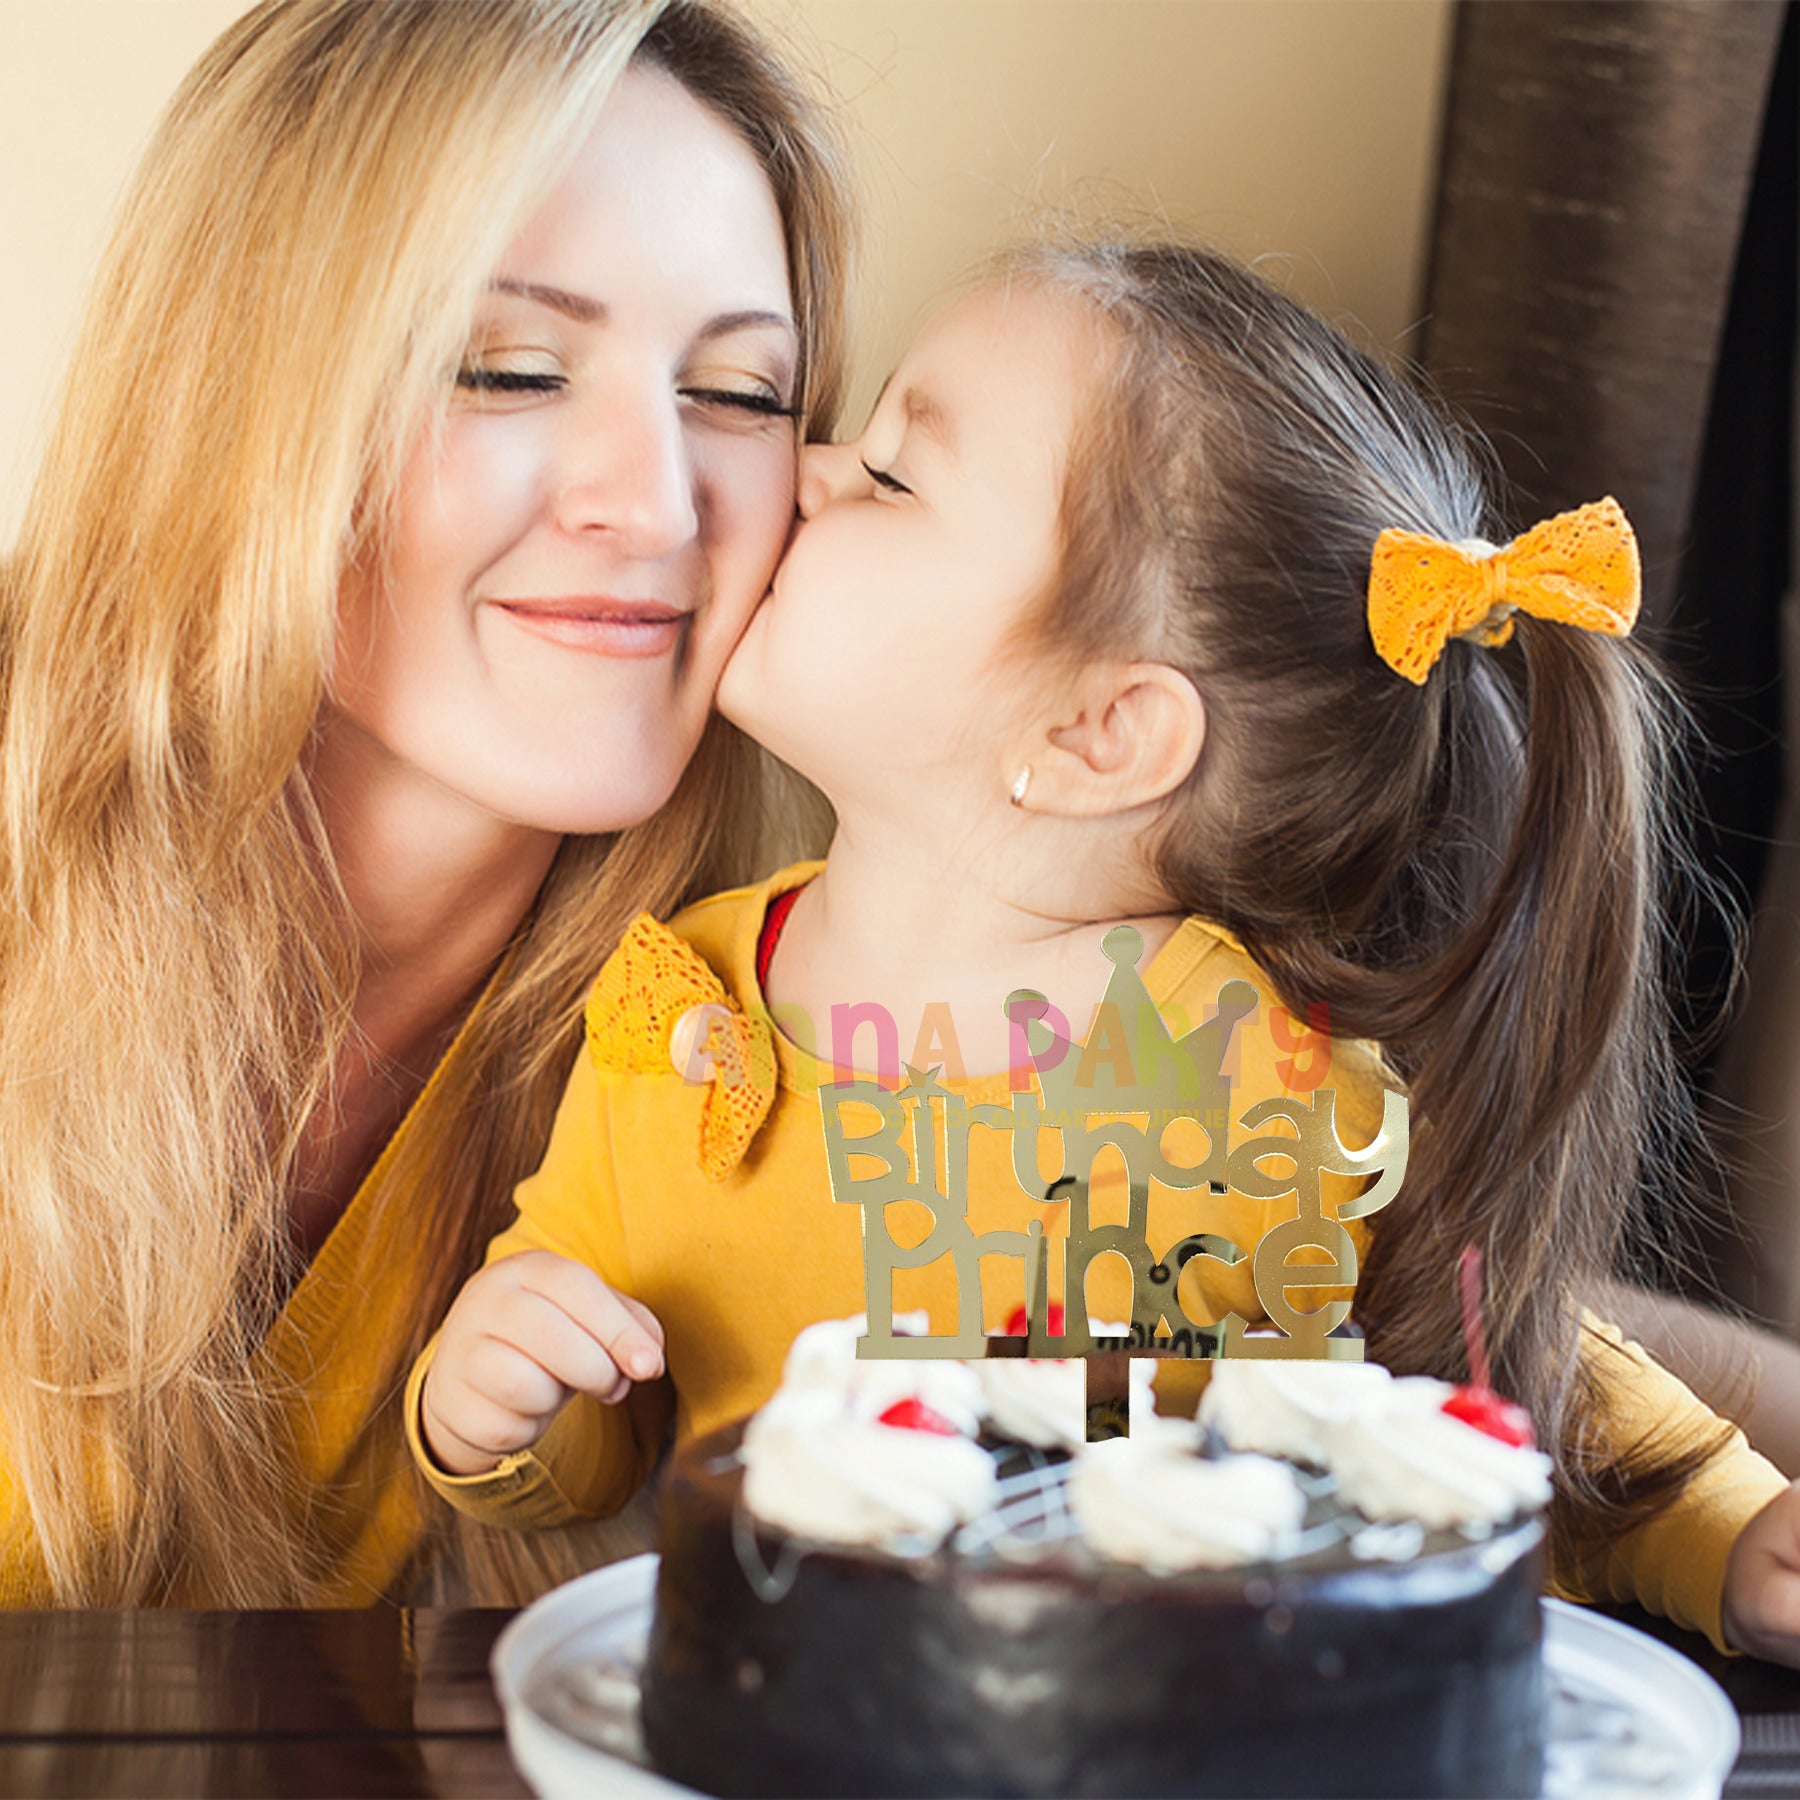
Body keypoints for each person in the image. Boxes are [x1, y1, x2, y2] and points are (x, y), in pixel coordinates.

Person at [413, 238, 1800, 1664]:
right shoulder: (673, 1011)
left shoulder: (1253, 1079)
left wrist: (1730, 1531)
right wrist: (500, 1402)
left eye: (893, 474)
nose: (807, 472)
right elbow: (593, 1407)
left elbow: (1509, 1379)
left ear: (1095, 737)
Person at [0, 0, 852, 1608]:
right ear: (236, 403)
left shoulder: (746, 1048)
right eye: (510, 368)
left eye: (740, 395)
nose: (659, 502)